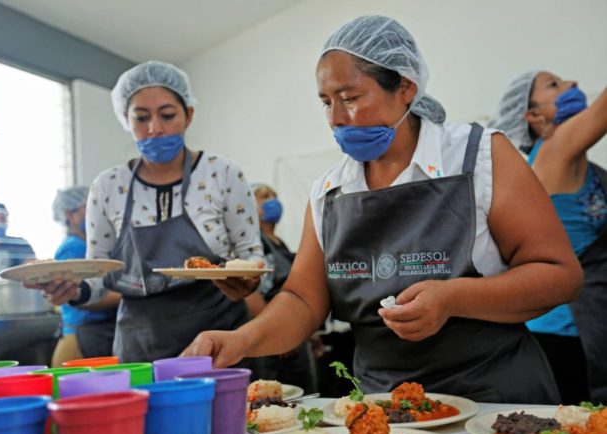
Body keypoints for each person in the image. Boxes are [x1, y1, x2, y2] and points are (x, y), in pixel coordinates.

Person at [182, 15, 584, 404]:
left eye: (350, 98)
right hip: (383, 409)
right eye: (326, 102)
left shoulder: (478, 155)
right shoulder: (329, 193)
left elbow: (558, 275)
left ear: (406, 86)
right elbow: (303, 301)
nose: (336, 119)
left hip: (494, 400)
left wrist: (454, 298)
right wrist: (243, 340)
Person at [34, 61, 264, 366]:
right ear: (126, 120)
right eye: (141, 118)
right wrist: (71, 290)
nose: (154, 128)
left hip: (219, 343)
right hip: (141, 348)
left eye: (167, 115)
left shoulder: (221, 174)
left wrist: (249, 280)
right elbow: (98, 278)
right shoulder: (108, 186)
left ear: (189, 115)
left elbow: (251, 258)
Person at [492, 74, 607, 403]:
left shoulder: (576, 159)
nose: (571, 82)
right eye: (554, 85)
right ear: (533, 116)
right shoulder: (554, 150)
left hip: (581, 325)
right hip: (564, 331)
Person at [247, 183, 316, 393]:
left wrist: (310, 335)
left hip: (295, 335)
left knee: (305, 396)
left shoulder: (279, 243)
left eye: (274, 196)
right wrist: (276, 334)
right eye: (265, 196)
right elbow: (250, 294)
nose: (273, 201)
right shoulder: (252, 244)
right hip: (272, 341)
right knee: (276, 398)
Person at [50, 187, 117, 367]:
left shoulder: (92, 246)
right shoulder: (72, 248)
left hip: (96, 334)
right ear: (69, 215)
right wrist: (128, 294)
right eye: (88, 208)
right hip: (78, 341)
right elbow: (81, 296)